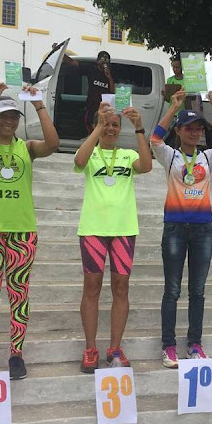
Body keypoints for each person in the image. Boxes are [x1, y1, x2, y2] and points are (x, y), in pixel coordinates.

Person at [0, 82, 59, 379]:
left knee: (19, 294)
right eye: (3, 115)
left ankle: (17, 353)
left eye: (14, 116)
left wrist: (39, 105)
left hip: (22, 232)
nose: (9, 121)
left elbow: (52, 143)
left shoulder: (26, 148)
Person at [150, 88, 212, 368]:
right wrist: (173, 107)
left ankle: (194, 344)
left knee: (197, 291)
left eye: (198, 128)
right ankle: (168, 346)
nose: (194, 132)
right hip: (175, 228)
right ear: (178, 131)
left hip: (202, 230)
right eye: (188, 128)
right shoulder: (170, 156)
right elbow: (154, 139)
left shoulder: (208, 157)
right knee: (172, 290)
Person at [74, 103, 153, 373]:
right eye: (106, 124)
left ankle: (115, 348)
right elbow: (79, 162)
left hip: (123, 230)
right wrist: (97, 127)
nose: (110, 129)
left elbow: (147, 166)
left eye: (115, 125)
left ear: (121, 129)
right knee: (92, 288)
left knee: (121, 288)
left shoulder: (128, 155)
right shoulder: (91, 153)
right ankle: (90, 348)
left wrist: (139, 127)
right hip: (93, 230)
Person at [63, 50, 115, 134]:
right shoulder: (91, 69)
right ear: (98, 61)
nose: (104, 64)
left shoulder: (110, 73)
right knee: (90, 126)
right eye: (102, 61)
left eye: (106, 62)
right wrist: (61, 54)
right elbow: (73, 63)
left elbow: (113, 91)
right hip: (92, 106)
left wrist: (109, 76)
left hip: (104, 109)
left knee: (102, 128)